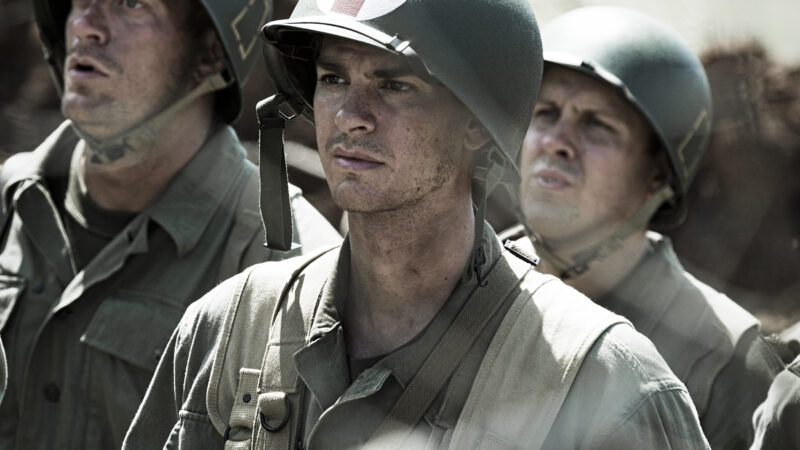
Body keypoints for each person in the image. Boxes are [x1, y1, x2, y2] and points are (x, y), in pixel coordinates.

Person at [124, 0, 709, 448]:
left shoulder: (608, 385)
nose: (351, 117)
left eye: (396, 85)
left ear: (477, 125)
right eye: (333, 79)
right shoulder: (231, 328)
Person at [0, 0, 341, 448]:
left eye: (131, 5)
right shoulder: (10, 202)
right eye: (79, 1)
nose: (85, 26)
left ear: (210, 55)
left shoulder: (295, 268)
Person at [505, 6, 784, 448]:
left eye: (597, 125)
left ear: (657, 174)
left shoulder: (724, 357)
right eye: (545, 112)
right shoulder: (466, 275)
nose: (557, 142)